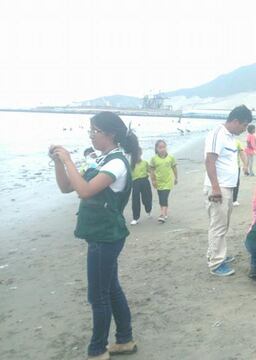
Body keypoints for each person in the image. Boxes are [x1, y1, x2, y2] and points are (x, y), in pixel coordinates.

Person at [50, 111, 138, 359]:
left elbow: (86, 191)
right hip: (101, 235)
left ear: (110, 134)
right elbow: (67, 187)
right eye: (89, 131)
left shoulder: (116, 163)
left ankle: (98, 350)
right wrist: (59, 162)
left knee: (97, 296)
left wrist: (68, 159)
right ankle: (124, 340)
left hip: (106, 237)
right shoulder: (102, 159)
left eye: (94, 131)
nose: (91, 136)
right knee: (110, 289)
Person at [204, 105, 252, 277]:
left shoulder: (231, 137)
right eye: (244, 125)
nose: (244, 129)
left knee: (222, 224)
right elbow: (210, 161)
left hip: (226, 187)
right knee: (218, 225)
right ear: (235, 121)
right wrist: (216, 188)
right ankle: (216, 263)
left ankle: (216, 253)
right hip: (219, 188)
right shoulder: (218, 134)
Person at [149, 140, 177, 223]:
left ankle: (162, 214)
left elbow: (174, 168)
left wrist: (176, 178)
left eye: (164, 147)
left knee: (164, 197)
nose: (162, 149)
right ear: (156, 149)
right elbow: (151, 170)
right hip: (159, 182)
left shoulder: (170, 158)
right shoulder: (154, 159)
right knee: (161, 198)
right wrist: (153, 180)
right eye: (160, 147)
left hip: (168, 181)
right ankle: (165, 213)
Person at [130, 147, 152, 225]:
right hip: (135, 182)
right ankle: (135, 218)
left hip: (144, 181)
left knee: (147, 198)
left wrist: (155, 179)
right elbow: (128, 175)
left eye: (138, 153)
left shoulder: (145, 162)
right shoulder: (131, 164)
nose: (137, 155)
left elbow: (150, 171)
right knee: (135, 200)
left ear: (141, 153)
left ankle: (148, 210)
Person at [232, 140, 249, 207]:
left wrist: (245, 165)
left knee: (236, 183)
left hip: (236, 166)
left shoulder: (237, 142)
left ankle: (234, 200)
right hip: (224, 168)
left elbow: (242, 153)